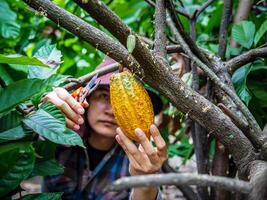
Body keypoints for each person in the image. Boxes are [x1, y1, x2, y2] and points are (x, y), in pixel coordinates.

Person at [43, 57, 167, 200]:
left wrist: (145, 186)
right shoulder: (60, 133)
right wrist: (42, 113)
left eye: (123, 101)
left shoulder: (142, 159)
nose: (112, 111)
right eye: (104, 96)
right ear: (87, 99)